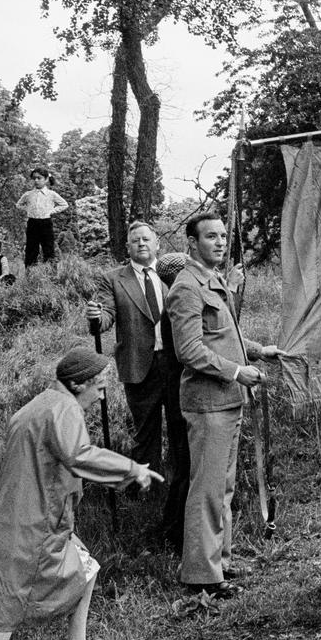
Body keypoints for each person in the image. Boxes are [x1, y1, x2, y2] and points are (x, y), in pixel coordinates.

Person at [0, 347, 163, 640]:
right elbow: (80, 456)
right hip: (32, 526)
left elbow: (49, 470)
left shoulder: (39, 405)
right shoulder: (64, 409)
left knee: (86, 569)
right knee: (4, 612)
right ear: (77, 385)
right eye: (99, 387)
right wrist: (132, 469)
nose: (101, 395)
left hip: (30, 518)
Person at [167, 212, 285, 598]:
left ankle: (221, 565)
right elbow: (189, 351)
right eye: (210, 237)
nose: (219, 243)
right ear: (191, 244)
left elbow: (223, 334)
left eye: (222, 236)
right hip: (208, 404)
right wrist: (237, 371)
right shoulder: (186, 287)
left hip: (229, 401)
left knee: (224, 488)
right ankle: (201, 576)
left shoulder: (214, 280)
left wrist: (257, 350)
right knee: (207, 490)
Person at [85, 221, 187, 548]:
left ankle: (178, 489)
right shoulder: (114, 279)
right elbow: (105, 318)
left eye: (147, 239)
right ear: (127, 247)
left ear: (157, 244)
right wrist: (95, 317)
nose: (141, 243)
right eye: (134, 240)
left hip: (174, 364)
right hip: (138, 366)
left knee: (179, 428)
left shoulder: (175, 272)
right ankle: (146, 491)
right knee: (145, 432)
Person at [16, 166, 68, 268]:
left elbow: (64, 204)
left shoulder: (51, 194)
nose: (36, 180)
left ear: (46, 179)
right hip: (32, 223)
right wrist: (28, 210)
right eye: (34, 178)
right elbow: (18, 205)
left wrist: (51, 211)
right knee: (31, 250)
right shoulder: (28, 194)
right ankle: (30, 275)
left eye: (39, 178)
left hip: (46, 223)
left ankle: (51, 275)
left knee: (48, 249)